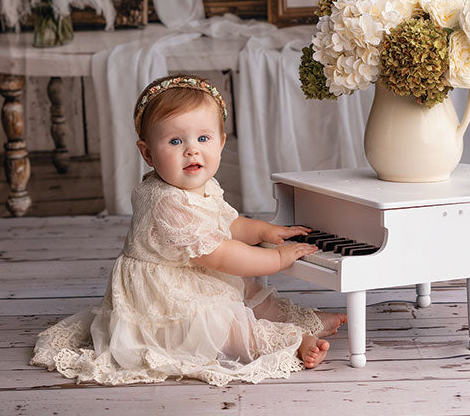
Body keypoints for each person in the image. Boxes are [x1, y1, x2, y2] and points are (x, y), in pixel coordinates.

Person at [30, 75, 347, 386]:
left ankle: (300, 320)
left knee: (248, 289)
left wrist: (264, 231)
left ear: (221, 143)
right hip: (164, 298)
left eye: (203, 139)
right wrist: (277, 259)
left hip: (192, 273)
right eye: (175, 141)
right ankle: (291, 342)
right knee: (223, 324)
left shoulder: (203, 184)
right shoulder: (167, 201)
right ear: (148, 153)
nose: (192, 151)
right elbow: (220, 255)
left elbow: (227, 224)